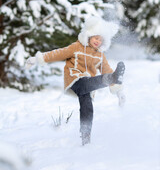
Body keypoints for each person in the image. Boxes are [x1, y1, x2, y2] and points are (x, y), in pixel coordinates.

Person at [25, 16, 125, 146]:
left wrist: (119, 93)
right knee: (88, 83)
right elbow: (58, 53)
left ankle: (85, 137)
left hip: (88, 84)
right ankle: (111, 78)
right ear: (89, 36)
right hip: (75, 80)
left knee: (87, 108)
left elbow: (106, 69)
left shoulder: (100, 55)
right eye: (96, 38)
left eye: (100, 40)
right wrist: (37, 59)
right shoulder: (76, 47)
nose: (97, 42)